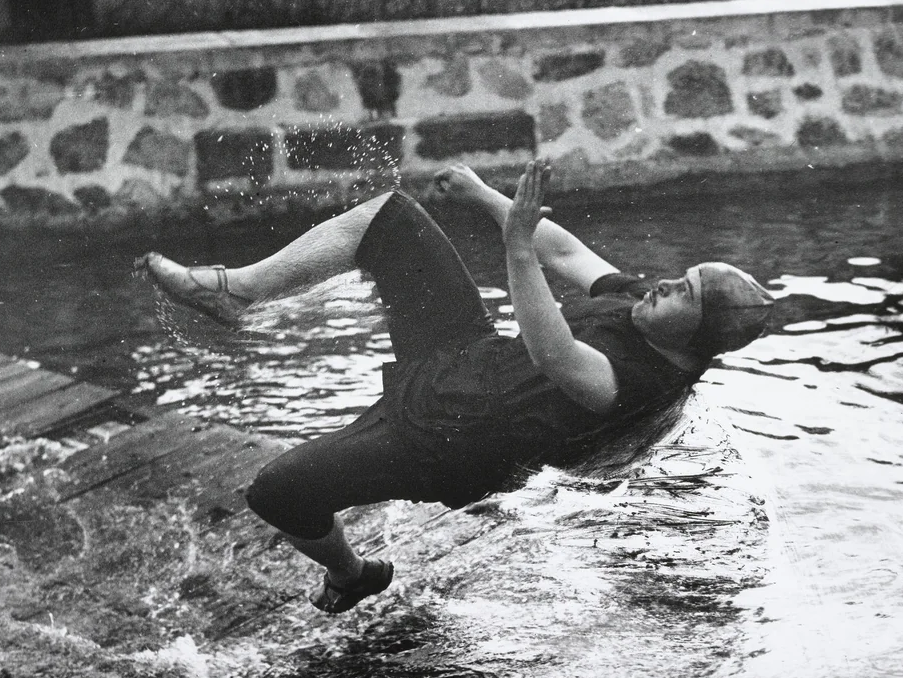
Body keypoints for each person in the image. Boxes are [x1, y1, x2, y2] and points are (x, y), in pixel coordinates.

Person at [137, 161, 774, 615]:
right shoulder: (643, 303)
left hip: (450, 444)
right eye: (678, 276)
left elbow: (553, 353)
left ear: (696, 337)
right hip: (464, 358)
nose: (663, 284)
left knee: (276, 493)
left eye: (682, 292)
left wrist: (516, 250)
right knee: (388, 218)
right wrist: (485, 196)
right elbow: (569, 252)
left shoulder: (644, 382)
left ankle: (351, 574)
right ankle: (235, 291)